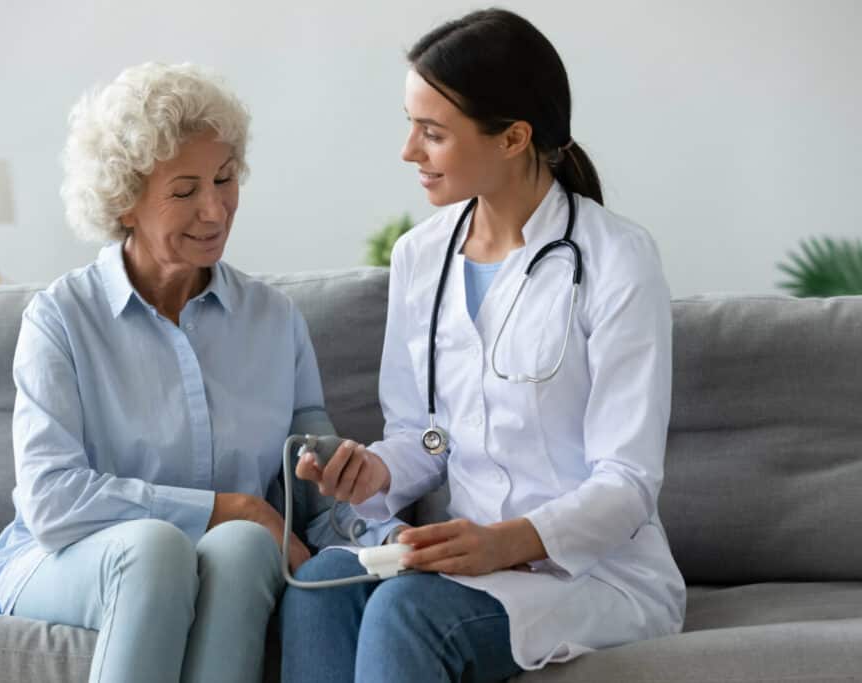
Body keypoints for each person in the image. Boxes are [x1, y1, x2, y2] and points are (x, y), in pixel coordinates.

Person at [282, 9, 686, 682]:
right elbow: (432, 436)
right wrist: (378, 471)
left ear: (513, 137)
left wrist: (505, 544)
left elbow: (627, 480)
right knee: (324, 580)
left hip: (590, 573)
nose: (409, 150)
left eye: (433, 133)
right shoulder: (421, 257)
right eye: (411, 125)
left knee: (407, 611)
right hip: (466, 563)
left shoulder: (617, 259)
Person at [0, 62, 399, 683]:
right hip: (64, 558)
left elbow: (309, 480)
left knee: (248, 543)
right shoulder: (61, 319)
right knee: (156, 549)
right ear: (124, 202)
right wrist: (227, 506)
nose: (214, 209)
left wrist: (369, 509)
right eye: (184, 191)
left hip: (226, 556)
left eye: (225, 179)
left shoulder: (274, 320)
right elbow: (52, 501)